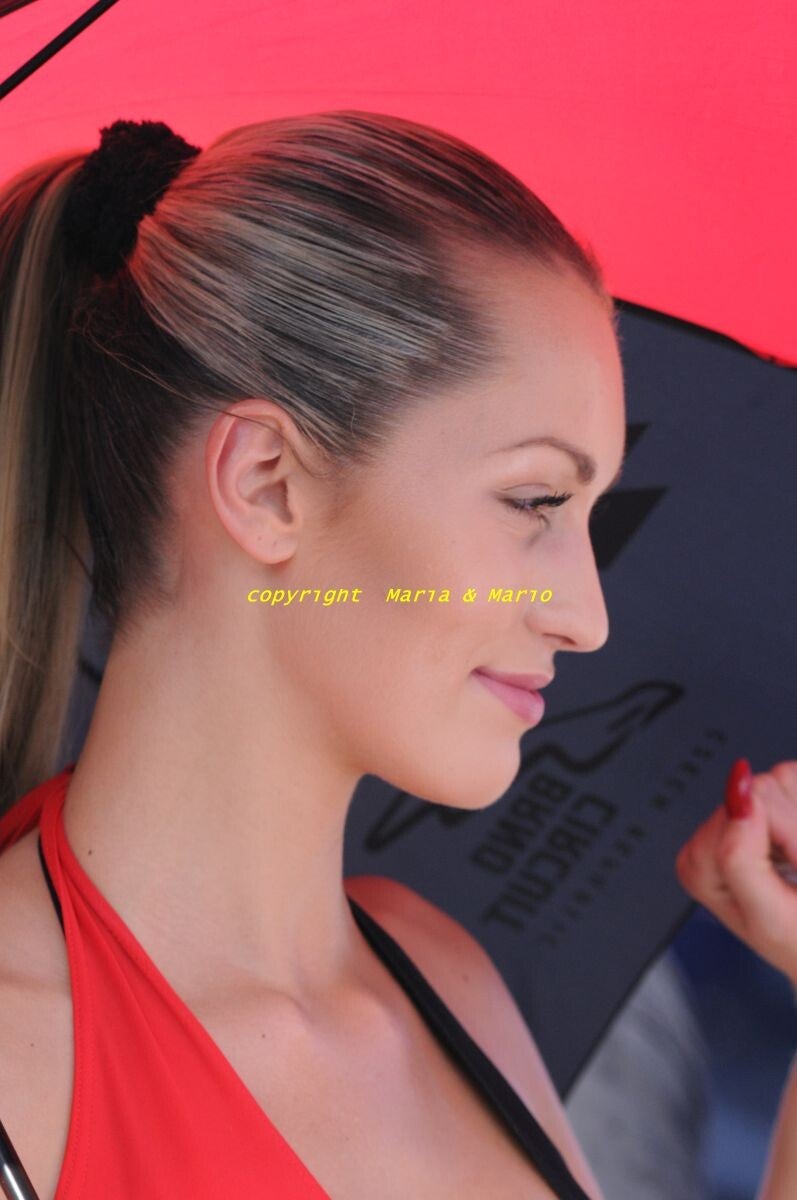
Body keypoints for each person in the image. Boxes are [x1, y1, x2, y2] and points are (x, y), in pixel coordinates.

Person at [0, 110, 795, 1200]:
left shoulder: (440, 977)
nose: (584, 617)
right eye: (533, 501)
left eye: (589, 517)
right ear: (266, 484)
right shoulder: (22, 1063)